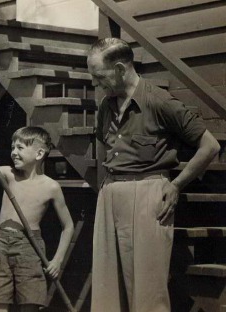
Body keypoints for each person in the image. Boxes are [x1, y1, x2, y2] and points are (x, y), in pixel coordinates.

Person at [87, 37, 220, 312]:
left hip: (147, 197)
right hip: (111, 194)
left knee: (147, 291)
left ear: (121, 69)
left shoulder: (160, 101)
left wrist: (177, 185)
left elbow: (210, 146)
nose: (94, 83)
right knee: (107, 291)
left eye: (98, 76)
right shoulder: (105, 106)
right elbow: (106, 148)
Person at [0, 126, 74, 312]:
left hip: (29, 247)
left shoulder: (51, 187)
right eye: (13, 147)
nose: (14, 152)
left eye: (20, 148)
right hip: (0, 245)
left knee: (30, 302)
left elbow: (68, 226)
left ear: (39, 153)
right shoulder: (8, 174)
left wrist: (57, 260)